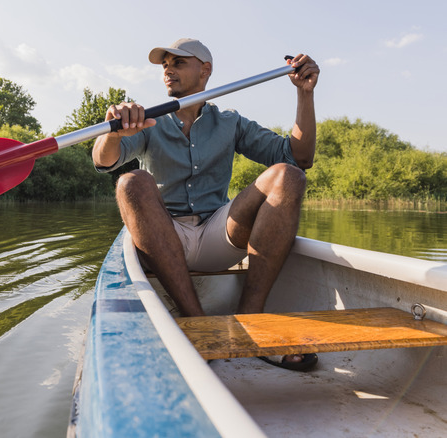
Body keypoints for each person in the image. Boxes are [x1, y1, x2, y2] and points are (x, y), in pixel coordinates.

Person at [92, 38, 320, 370]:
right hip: (163, 240)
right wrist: (112, 133)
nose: (168, 69)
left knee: (289, 176)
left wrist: (305, 93)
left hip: (218, 234)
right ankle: (198, 325)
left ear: (205, 70)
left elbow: (301, 157)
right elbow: (104, 161)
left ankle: (250, 319)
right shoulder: (147, 121)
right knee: (131, 181)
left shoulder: (230, 122)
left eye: (178, 62)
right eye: (165, 65)